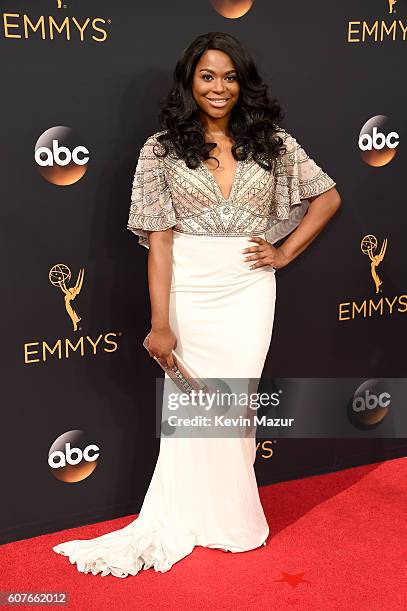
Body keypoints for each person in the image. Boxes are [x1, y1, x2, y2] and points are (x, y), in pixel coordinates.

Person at [52, 31, 341, 578]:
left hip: (248, 291)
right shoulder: (160, 150)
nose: (219, 87)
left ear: (243, 82)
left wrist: (283, 252)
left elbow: (327, 197)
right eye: (207, 76)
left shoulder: (271, 142)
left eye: (230, 76)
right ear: (189, 81)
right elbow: (159, 242)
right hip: (189, 290)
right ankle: (195, 515)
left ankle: (233, 520)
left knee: (235, 406)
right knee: (193, 410)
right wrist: (161, 324)